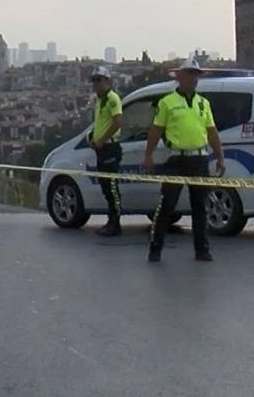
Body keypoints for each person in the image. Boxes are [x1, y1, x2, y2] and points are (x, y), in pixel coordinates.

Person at [141, 58, 225, 262]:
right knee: (166, 206)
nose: (194, 79)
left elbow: (212, 132)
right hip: (176, 159)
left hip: (199, 159)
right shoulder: (167, 102)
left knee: (200, 207)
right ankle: (155, 248)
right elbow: (156, 130)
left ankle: (202, 249)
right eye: (190, 74)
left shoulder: (203, 103)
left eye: (196, 75)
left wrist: (220, 157)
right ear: (181, 76)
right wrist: (148, 154)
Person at [89, 67, 124, 236]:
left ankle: (115, 222)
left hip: (110, 147)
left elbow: (117, 122)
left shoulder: (112, 99)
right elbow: (100, 123)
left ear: (107, 81)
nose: (96, 84)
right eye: (94, 80)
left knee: (111, 186)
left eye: (99, 80)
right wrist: (93, 136)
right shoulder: (98, 101)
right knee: (105, 186)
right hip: (101, 148)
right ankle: (111, 219)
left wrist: (102, 139)